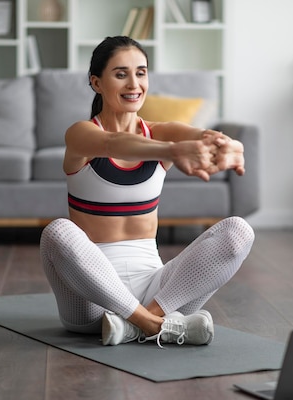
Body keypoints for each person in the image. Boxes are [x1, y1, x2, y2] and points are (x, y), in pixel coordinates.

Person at [40, 36, 254, 348]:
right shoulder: (81, 134)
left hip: (161, 293)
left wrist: (232, 146)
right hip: (92, 300)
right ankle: (152, 325)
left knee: (239, 230)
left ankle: (141, 322)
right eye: (121, 73)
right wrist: (174, 150)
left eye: (141, 72)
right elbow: (113, 143)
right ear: (96, 82)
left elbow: (208, 136)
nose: (134, 84)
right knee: (57, 232)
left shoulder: (161, 132)